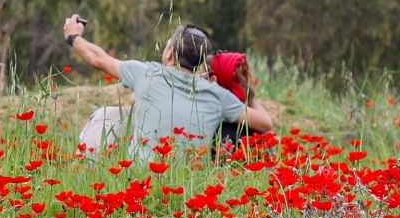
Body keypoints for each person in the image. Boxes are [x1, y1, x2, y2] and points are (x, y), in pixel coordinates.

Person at [63, 14, 273, 159]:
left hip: (140, 180)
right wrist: (247, 92)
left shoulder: (146, 73)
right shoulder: (217, 95)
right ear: (200, 63)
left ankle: (88, 165)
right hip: (190, 189)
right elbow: (265, 123)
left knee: (108, 115)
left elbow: (97, 58)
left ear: (170, 53)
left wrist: (74, 36)